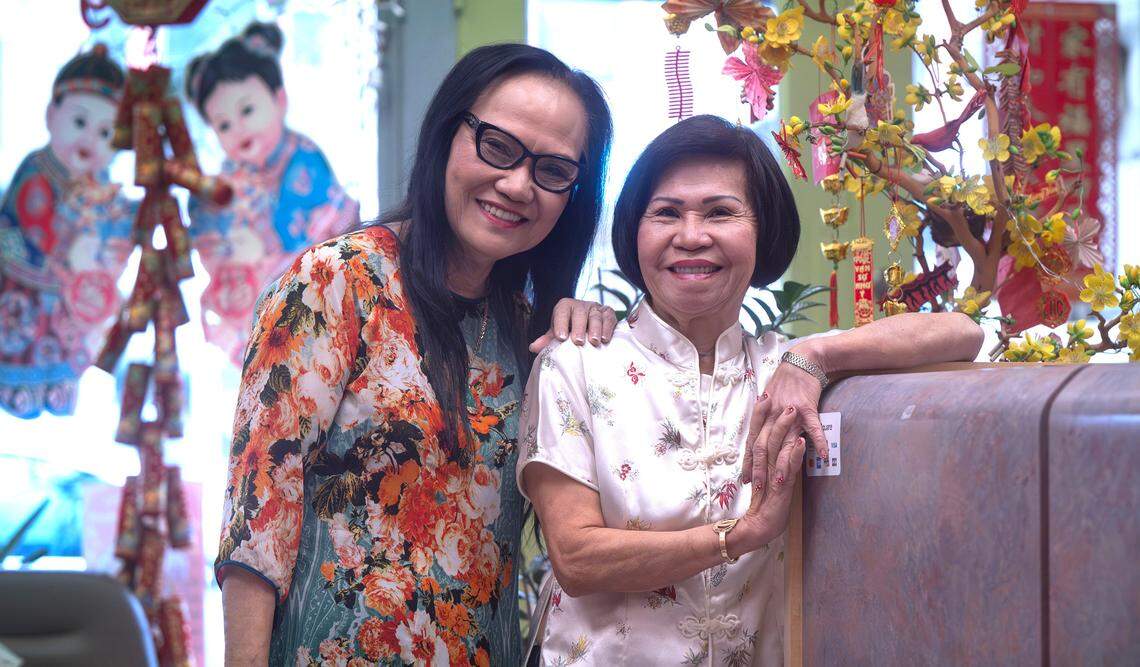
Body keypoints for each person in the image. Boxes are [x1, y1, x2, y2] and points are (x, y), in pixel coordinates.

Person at [518, 115, 984, 665]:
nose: (691, 236)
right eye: (666, 213)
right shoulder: (575, 363)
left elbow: (963, 333)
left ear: (763, 232)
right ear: (634, 231)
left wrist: (816, 354)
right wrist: (740, 535)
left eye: (721, 212)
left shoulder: (782, 368)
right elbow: (576, 559)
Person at [215, 43, 619, 665]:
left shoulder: (532, 333)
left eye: (553, 170)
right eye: (499, 147)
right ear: (446, 134)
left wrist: (593, 343)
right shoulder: (339, 281)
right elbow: (258, 517)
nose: (517, 185)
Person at [186, 22, 361, 366]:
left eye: (247, 111)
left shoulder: (303, 158)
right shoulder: (226, 181)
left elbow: (327, 232)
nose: (239, 128)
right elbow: (208, 235)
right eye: (223, 125)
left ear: (279, 100)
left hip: (307, 283)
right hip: (254, 294)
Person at [0, 44, 134, 418]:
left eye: (106, 132)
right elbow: (30, 229)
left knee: (65, 343)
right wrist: (68, 251)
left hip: (71, 295)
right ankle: (19, 387)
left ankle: (60, 386)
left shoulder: (103, 187)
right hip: (28, 283)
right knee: (24, 336)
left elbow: (115, 234)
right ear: (51, 115)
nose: (90, 140)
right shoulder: (38, 171)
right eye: (79, 123)